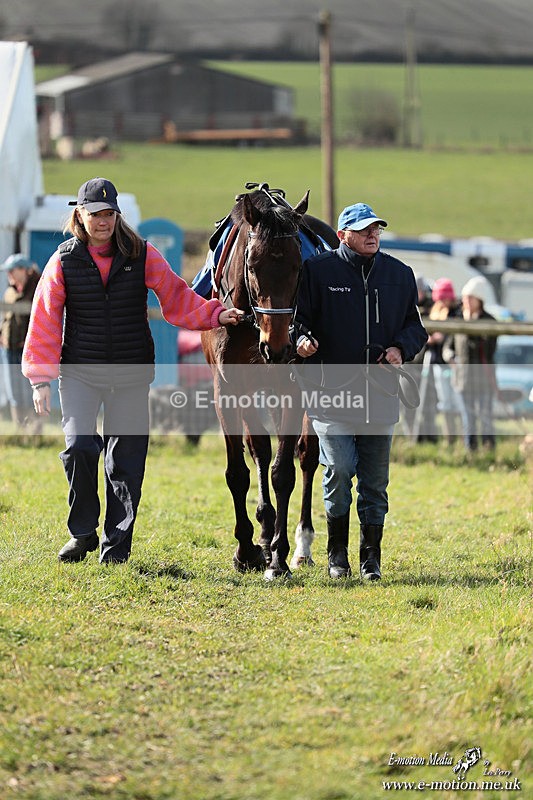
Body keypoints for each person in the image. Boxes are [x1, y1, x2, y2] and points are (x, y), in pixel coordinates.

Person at [22, 177, 244, 564]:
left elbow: (177, 298)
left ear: (117, 215)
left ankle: (116, 547)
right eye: (95, 214)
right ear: (81, 214)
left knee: (125, 461)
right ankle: (82, 532)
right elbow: (44, 319)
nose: (103, 221)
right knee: (78, 448)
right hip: (79, 373)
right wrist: (40, 378)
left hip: (129, 373)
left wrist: (215, 314)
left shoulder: (142, 254)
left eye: (109, 214)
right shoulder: (63, 260)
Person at [295, 202, 427, 580]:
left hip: (380, 393)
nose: (373, 234)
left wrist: (401, 347)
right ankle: (337, 553)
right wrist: (301, 339)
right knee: (338, 468)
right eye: (365, 228)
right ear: (343, 235)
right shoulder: (317, 271)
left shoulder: (400, 275)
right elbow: (296, 322)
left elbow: (415, 328)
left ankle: (371, 559)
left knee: (374, 481)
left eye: (377, 229)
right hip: (330, 392)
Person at [442, 275, 498, 452]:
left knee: (485, 417)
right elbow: (447, 347)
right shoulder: (458, 320)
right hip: (462, 380)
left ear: (479, 299)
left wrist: (471, 325)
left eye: (469, 297)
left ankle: (489, 450)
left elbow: (488, 349)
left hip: (483, 379)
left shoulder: (490, 321)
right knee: (468, 418)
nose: (465, 301)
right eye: (465, 297)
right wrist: (451, 357)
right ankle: (470, 452)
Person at [0, 254, 41, 428]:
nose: (9, 274)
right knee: (13, 391)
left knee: (29, 391)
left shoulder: (37, 290)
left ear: (25, 270)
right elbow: (6, 318)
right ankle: (20, 428)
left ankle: (34, 429)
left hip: (29, 351)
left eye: (12, 270)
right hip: (9, 350)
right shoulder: (9, 292)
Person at [427, 277, 463, 444]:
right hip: (438, 363)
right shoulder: (435, 311)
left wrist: (442, 337)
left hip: (454, 364)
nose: (441, 301)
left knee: (457, 402)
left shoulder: (458, 314)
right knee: (445, 402)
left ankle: (462, 438)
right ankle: (449, 439)